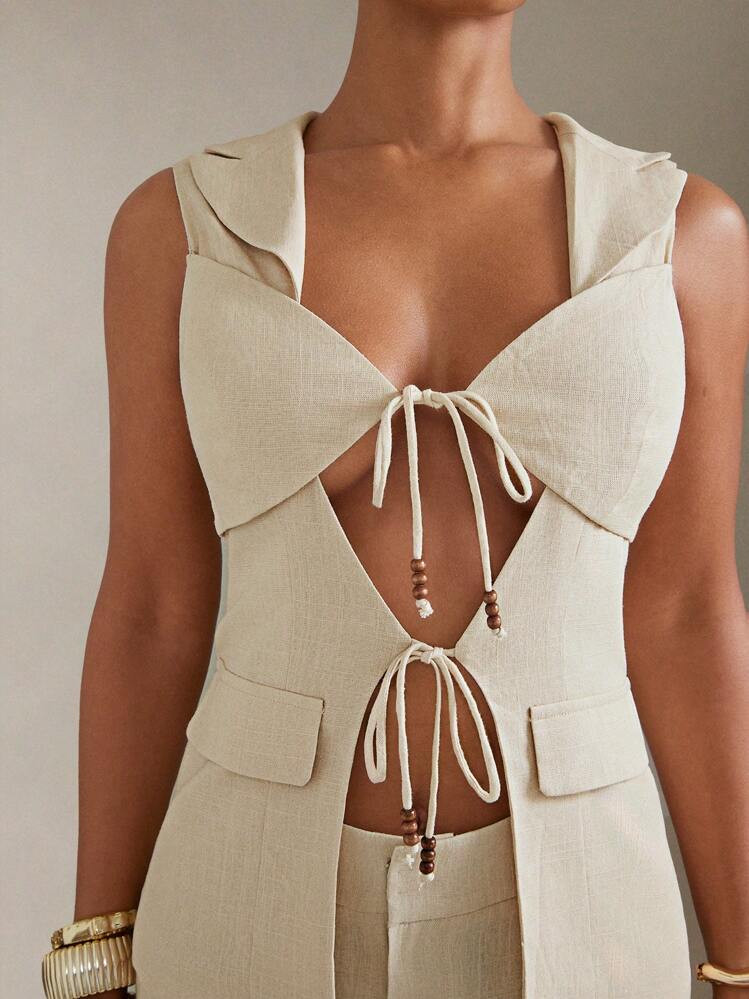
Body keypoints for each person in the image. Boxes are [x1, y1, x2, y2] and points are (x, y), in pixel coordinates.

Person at [42, 1, 749, 997]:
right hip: (240, 900)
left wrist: (740, 960)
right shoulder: (182, 228)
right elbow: (154, 605)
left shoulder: (682, 234)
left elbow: (684, 610)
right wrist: (93, 955)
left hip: (589, 907)